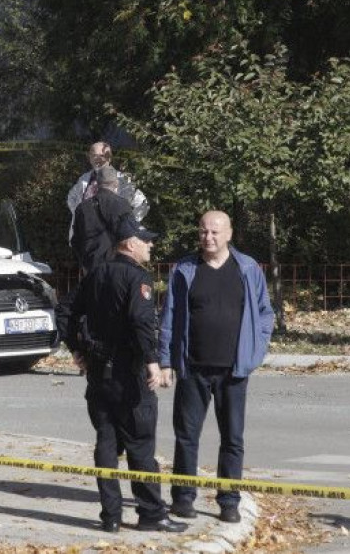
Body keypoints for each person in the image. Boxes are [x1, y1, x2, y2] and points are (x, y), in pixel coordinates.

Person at [58, 216, 185, 534]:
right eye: (146, 240)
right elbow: (141, 321)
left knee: (106, 444)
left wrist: (75, 347)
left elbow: (64, 311)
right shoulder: (136, 277)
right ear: (129, 244)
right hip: (130, 375)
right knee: (141, 447)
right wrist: (152, 360)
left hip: (99, 376)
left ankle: (111, 517)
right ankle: (151, 514)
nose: (151, 245)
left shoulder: (96, 272)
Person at [159, 210, 274, 524]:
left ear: (229, 234)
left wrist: (255, 351)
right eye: (203, 232)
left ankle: (229, 501)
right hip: (193, 368)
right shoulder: (184, 269)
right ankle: (183, 499)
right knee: (186, 438)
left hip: (233, 371)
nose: (208, 238)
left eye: (214, 232)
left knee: (233, 439)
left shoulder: (248, 268)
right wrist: (166, 360)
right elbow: (168, 317)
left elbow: (265, 314)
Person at [67, 141, 148, 242]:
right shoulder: (85, 178)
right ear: (90, 158)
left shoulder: (123, 180)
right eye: (94, 155)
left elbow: (142, 204)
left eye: (102, 155)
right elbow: (71, 197)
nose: (98, 159)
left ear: (109, 157)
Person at [71, 165, 134, 272]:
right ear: (116, 183)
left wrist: (85, 261)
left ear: (97, 183)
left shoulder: (82, 207)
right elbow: (130, 237)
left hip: (91, 266)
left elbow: (75, 241)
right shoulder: (123, 205)